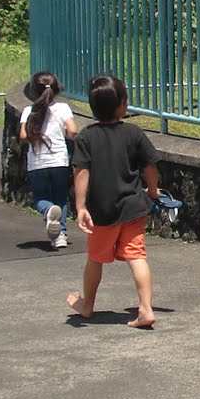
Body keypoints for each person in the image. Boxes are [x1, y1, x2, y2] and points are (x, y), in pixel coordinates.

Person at [69, 76, 162, 326]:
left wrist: (80, 207)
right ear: (122, 105)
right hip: (133, 207)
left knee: (95, 258)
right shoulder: (134, 133)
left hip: (103, 211)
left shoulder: (87, 138)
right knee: (137, 255)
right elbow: (149, 166)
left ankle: (87, 305)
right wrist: (152, 190)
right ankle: (145, 308)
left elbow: (82, 172)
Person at [19, 71, 79, 248]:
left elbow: (23, 136)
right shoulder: (63, 108)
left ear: (33, 91)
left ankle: (47, 211)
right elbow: (73, 130)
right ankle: (60, 236)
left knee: (41, 197)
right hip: (60, 160)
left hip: (37, 163)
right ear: (56, 89)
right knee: (60, 197)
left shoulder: (28, 111)